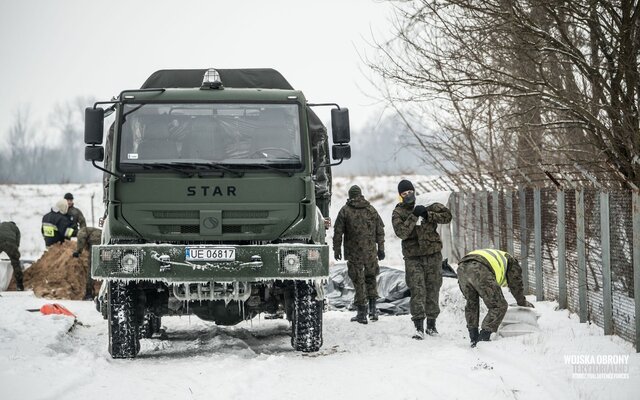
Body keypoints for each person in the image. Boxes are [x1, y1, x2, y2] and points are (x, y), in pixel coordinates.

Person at [391, 179, 452, 339]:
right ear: (400, 196)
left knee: (433, 288)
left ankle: (432, 326)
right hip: (413, 258)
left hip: (433, 255)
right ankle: (419, 327)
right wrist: (414, 216)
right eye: (404, 194)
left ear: (414, 191)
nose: (408, 195)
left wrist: (427, 214)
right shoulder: (398, 212)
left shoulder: (428, 203)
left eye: (410, 192)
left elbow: (447, 216)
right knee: (417, 290)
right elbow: (402, 233)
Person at [457, 248, 534, 347]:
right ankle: (483, 338)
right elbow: (516, 285)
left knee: (471, 303)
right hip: (479, 268)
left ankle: (473, 338)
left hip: (462, 268)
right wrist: (522, 302)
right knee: (499, 306)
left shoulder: (498, 256)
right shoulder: (512, 262)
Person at [333, 185, 385, 324]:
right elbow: (380, 230)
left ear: (350, 196)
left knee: (359, 281)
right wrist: (381, 249)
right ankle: (373, 310)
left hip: (354, 253)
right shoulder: (371, 210)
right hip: (370, 253)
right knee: (371, 278)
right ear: (361, 195)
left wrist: (336, 249)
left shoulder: (345, 210)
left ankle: (362, 314)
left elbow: (338, 232)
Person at [73, 227, 102, 300]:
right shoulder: (94, 231)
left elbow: (81, 239)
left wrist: (78, 251)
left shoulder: (82, 231)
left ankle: (89, 293)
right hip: (104, 244)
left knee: (92, 266)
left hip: (97, 243)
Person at [0, 221, 23, 291]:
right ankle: (19, 285)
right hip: (11, 242)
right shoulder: (15, 228)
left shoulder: (1, 225)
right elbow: (17, 242)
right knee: (16, 263)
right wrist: (15, 254)